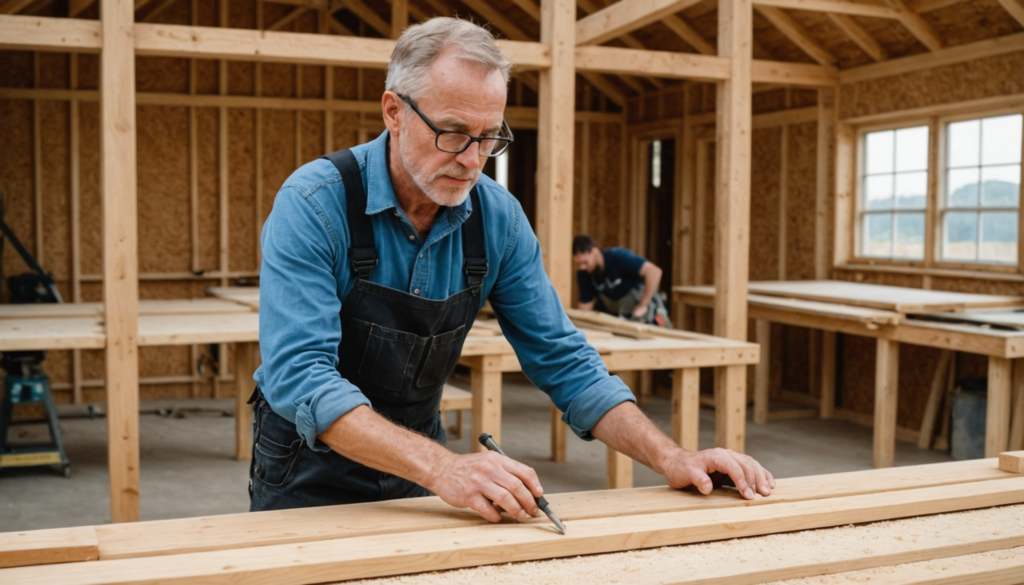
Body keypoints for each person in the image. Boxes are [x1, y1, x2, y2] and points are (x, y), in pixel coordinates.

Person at [252, 17, 773, 521]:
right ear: (394, 111)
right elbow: (302, 377)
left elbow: (563, 359)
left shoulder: (497, 219)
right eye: (453, 133)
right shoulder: (315, 204)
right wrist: (444, 467)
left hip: (420, 476)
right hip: (306, 475)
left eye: (490, 137)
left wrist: (673, 459)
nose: (473, 160)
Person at [573, 235, 672, 327]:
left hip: (645, 314)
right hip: (622, 318)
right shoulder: (584, 275)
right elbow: (584, 308)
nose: (582, 267)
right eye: (578, 264)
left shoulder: (617, 256)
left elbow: (654, 272)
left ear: (594, 252)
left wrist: (643, 304)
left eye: (585, 262)